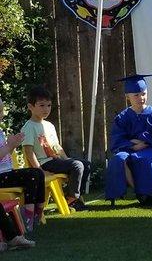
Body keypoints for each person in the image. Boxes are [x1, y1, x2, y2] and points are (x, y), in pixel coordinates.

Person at [21, 86, 90, 212]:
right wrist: (40, 171)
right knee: (77, 165)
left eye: (48, 105)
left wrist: (66, 159)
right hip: (44, 163)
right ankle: (72, 199)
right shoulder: (29, 127)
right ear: (30, 107)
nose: (46, 109)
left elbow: (57, 147)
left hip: (55, 160)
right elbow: (29, 153)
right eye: (41, 105)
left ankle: (77, 196)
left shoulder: (49, 126)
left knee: (85, 164)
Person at [105, 74, 152, 205]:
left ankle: (146, 194)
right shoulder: (122, 117)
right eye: (136, 95)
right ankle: (138, 192)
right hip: (128, 148)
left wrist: (143, 142)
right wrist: (132, 145)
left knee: (144, 158)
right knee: (118, 159)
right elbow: (117, 138)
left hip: (150, 148)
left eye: (143, 94)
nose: (141, 98)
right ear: (128, 97)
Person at [0, 97, 45, 232]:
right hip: (1, 175)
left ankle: (38, 210)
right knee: (31, 175)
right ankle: (28, 213)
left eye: (2, 110)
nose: (1, 114)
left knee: (37, 172)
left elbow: (6, 153)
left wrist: (12, 145)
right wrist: (9, 146)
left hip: (7, 172)